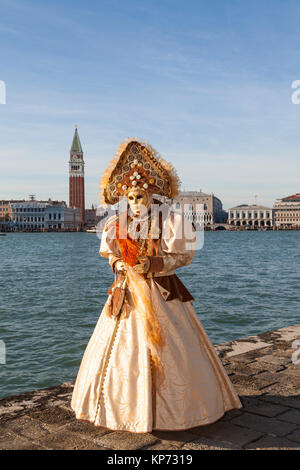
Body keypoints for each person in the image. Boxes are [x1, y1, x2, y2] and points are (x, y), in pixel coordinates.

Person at [71, 137, 243, 433]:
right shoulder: (117, 223)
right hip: (125, 293)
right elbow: (110, 254)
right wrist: (118, 264)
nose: (136, 202)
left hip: (161, 293)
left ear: (151, 195)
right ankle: (123, 410)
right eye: (131, 197)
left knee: (174, 349)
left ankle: (177, 411)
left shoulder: (169, 221)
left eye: (140, 196)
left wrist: (153, 265)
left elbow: (182, 256)